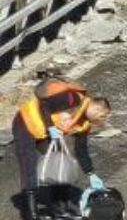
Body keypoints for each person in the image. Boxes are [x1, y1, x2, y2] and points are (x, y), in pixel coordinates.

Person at [12, 78, 111, 220]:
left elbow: (81, 150)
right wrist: (50, 126)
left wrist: (91, 173)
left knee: (60, 163)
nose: (101, 120)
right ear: (96, 108)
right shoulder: (72, 98)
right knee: (29, 166)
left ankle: (59, 208)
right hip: (25, 124)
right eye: (102, 116)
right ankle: (30, 214)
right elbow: (44, 103)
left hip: (44, 132)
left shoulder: (84, 124)